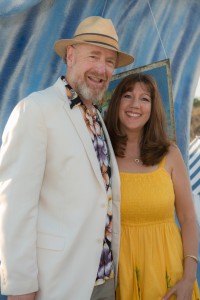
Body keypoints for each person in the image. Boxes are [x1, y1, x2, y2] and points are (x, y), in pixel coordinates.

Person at [0, 16, 134, 300]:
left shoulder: (98, 118)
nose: (102, 68)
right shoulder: (35, 110)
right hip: (57, 283)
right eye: (94, 56)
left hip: (104, 281)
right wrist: (20, 286)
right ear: (70, 56)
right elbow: (14, 208)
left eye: (110, 61)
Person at [105, 73, 200, 300]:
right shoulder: (102, 155)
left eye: (144, 98)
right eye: (127, 96)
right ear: (116, 103)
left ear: (152, 107)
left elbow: (187, 218)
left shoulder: (170, 153)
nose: (135, 104)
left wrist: (189, 278)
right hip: (121, 275)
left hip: (170, 272)